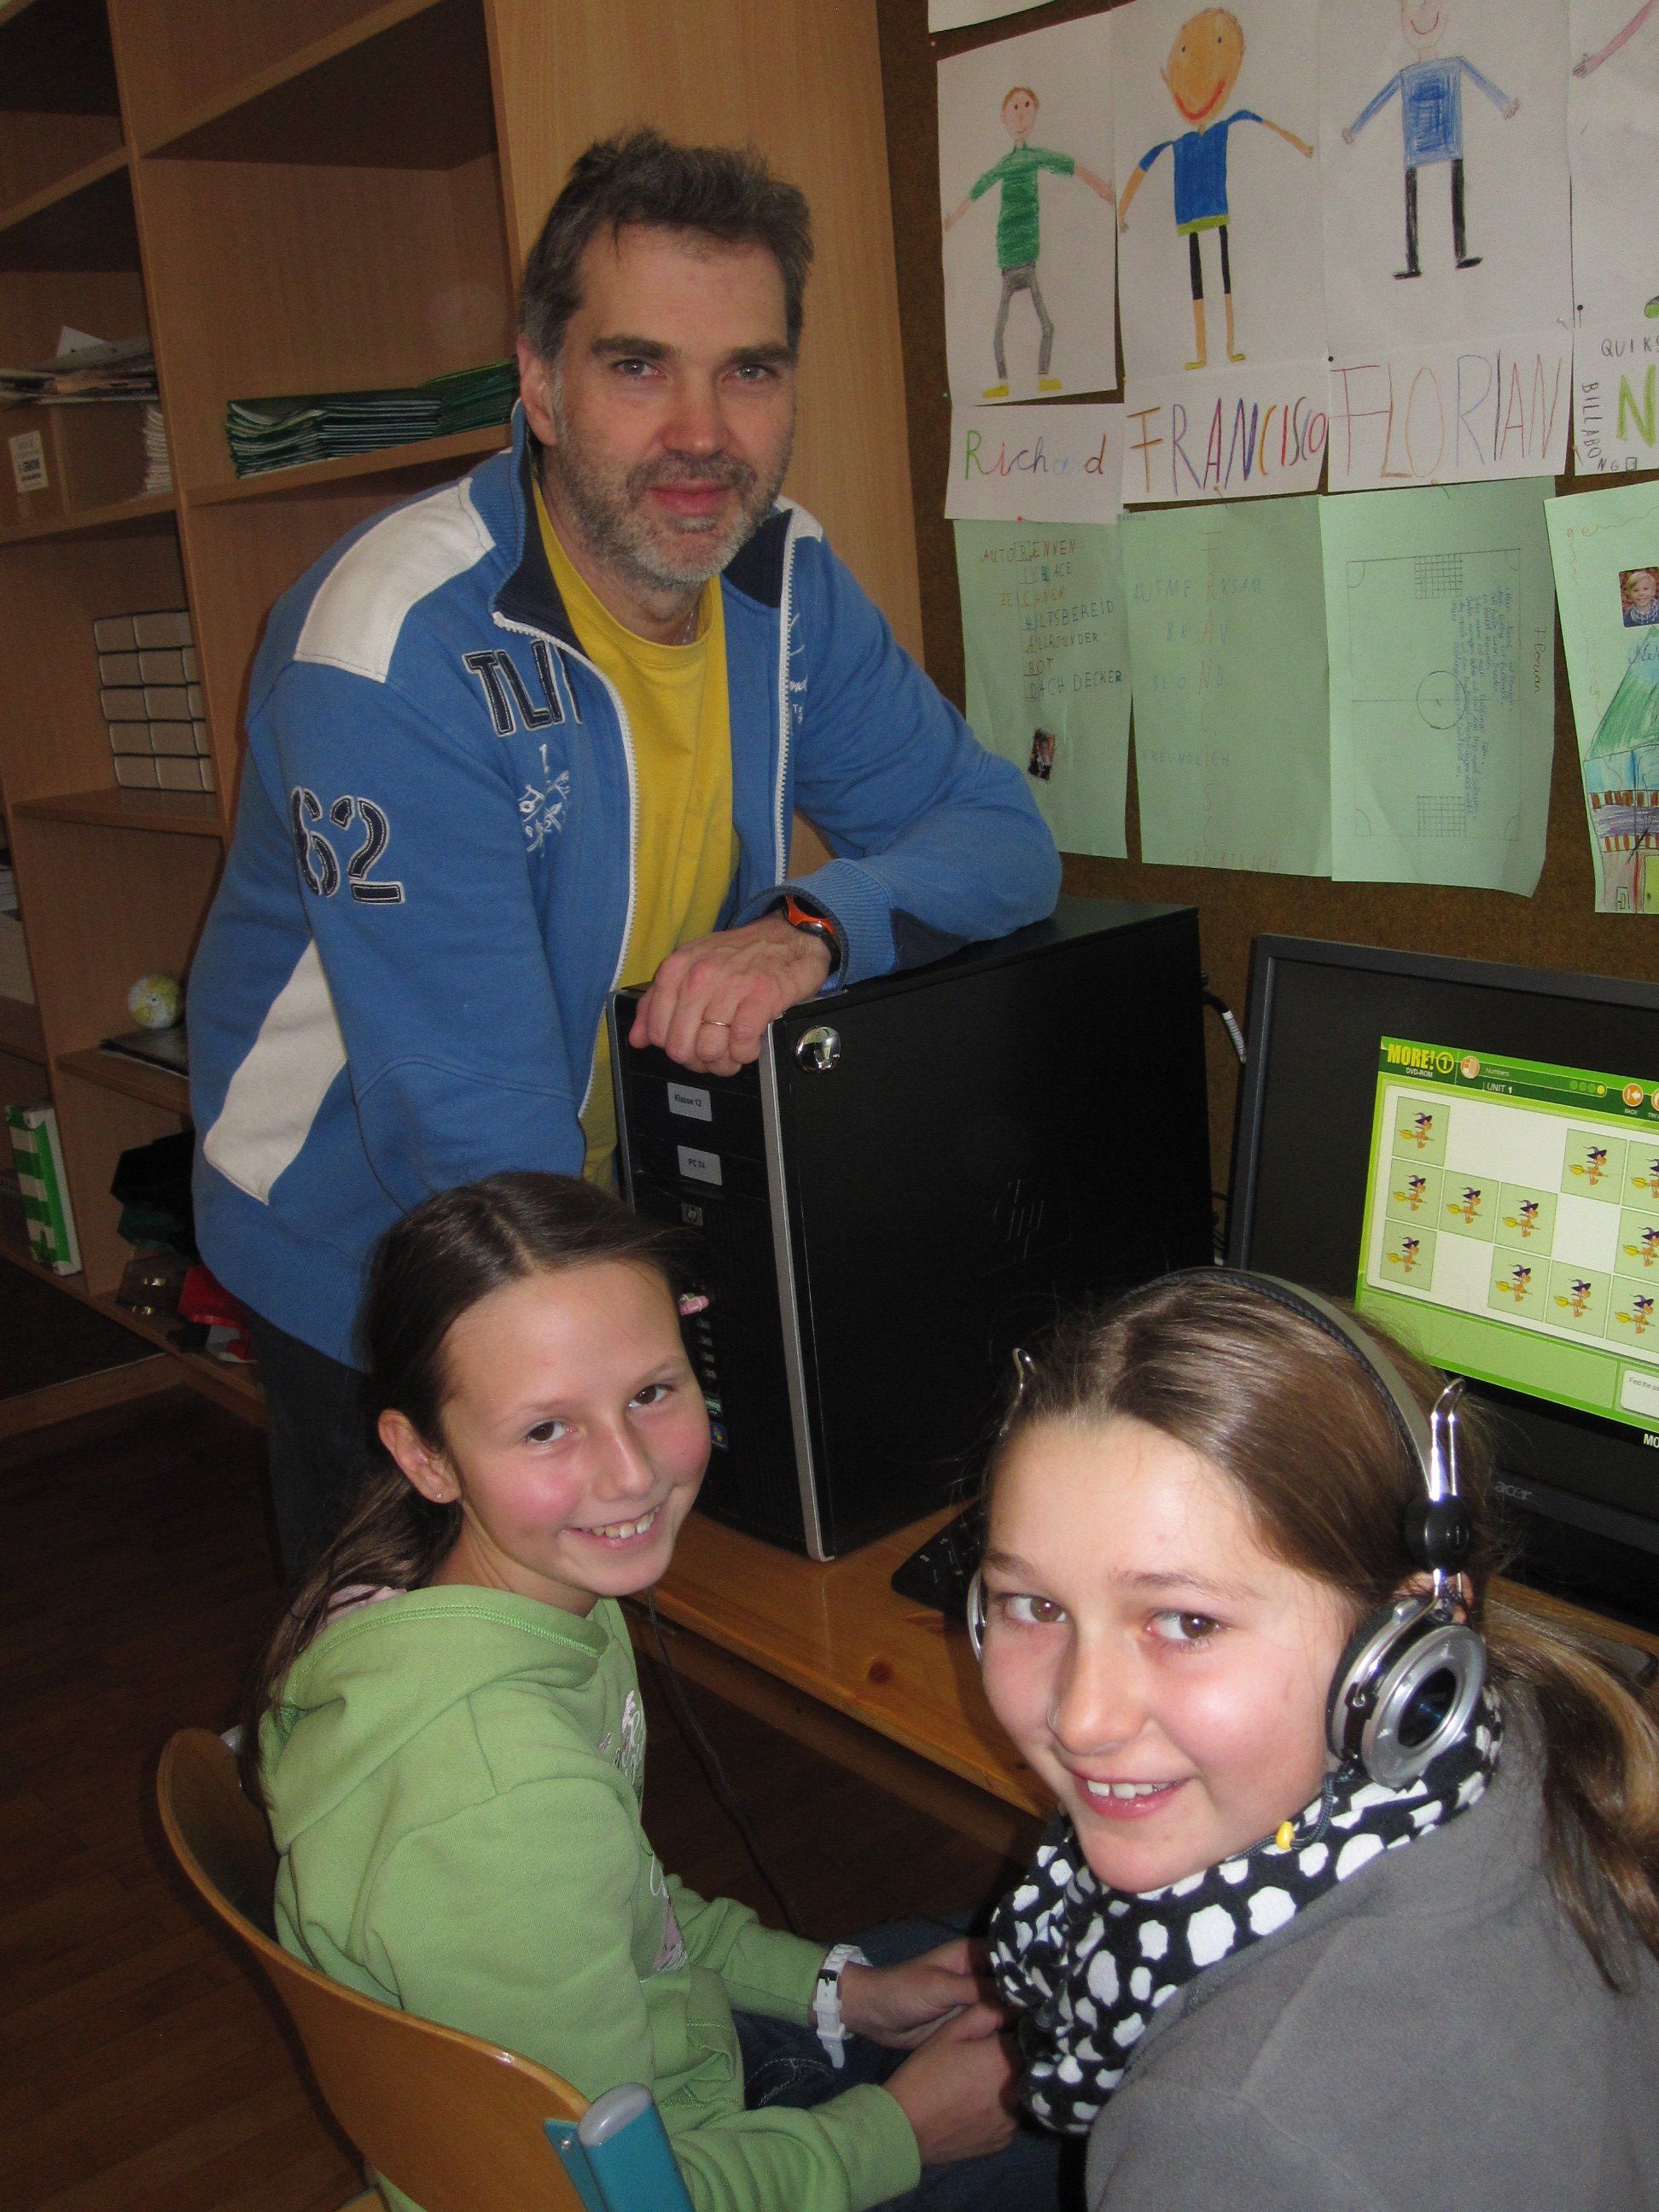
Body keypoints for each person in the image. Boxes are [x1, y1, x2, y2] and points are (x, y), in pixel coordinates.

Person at [187, 130, 1060, 1578]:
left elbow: (1000, 841)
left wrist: (812, 924)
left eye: (750, 370)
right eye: (639, 366)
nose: (701, 434)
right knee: (424, 1672)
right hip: (371, 1234)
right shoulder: (392, 647)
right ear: (539, 384)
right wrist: (648, 1368)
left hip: (597, 1197)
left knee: (606, 1615)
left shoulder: (783, 577)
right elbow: (470, 1129)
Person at [244, 1171, 1074, 2212]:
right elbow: (593, 2198)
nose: (631, 1474)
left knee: (1025, 1977)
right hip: (651, 2181)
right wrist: (900, 2131)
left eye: (650, 1393)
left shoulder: (517, 1602)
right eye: (546, 1430)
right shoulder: (497, 1795)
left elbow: (628, 1909)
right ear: (427, 1458)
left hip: (678, 2085)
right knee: (1117, 2107)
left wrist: (842, 1992)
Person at [966, 1270, 1659, 2210]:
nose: (1082, 1718)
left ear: (1403, 1647)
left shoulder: (1229, 2140)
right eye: (1034, 1605)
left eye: (1187, 1622)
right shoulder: (1514, 1739)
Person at [1117, 9, 1313, 371]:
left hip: (1216, 212)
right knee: (1200, 285)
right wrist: (1122, 210)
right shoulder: (1178, 143)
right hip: (1191, 217)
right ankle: (1203, 352)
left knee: (1223, 281)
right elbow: (1143, 166)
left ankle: (1229, 346)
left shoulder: (1223, 127)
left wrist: (1301, 146)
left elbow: (1260, 122)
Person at [941, 86, 1112, 399]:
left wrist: (1103, 188)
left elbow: (1069, 165)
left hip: (1028, 254)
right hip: (1008, 256)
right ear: (1004, 117)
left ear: (1035, 112)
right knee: (1002, 329)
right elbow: (979, 189)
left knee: (1042, 324)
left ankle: (1041, 376)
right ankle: (1004, 381)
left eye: (1027, 106)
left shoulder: (1035, 157)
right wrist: (951, 221)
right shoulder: (1005, 165)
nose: (1021, 115)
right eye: (1015, 108)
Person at [1343, 0, 1519, 281]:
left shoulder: (1453, 66)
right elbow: (1379, 101)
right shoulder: (1407, 76)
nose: (1422, 15)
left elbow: (1480, 81)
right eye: (1412, 8)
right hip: (1416, 146)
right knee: (1413, 199)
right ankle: (1414, 262)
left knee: (1455, 194)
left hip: (1450, 141)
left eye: (1430, 4)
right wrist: (1354, 129)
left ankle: (1459, 253)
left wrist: (1504, 103)